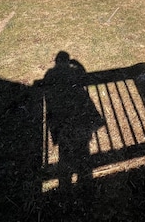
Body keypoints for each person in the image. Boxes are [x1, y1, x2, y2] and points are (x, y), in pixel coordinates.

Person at [42, 51, 104, 190]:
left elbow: (48, 90)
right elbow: (84, 75)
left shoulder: (50, 74)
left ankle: (66, 183)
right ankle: (84, 181)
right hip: (76, 117)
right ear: (66, 61)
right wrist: (76, 64)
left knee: (66, 149)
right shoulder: (72, 72)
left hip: (62, 117)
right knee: (82, 148)